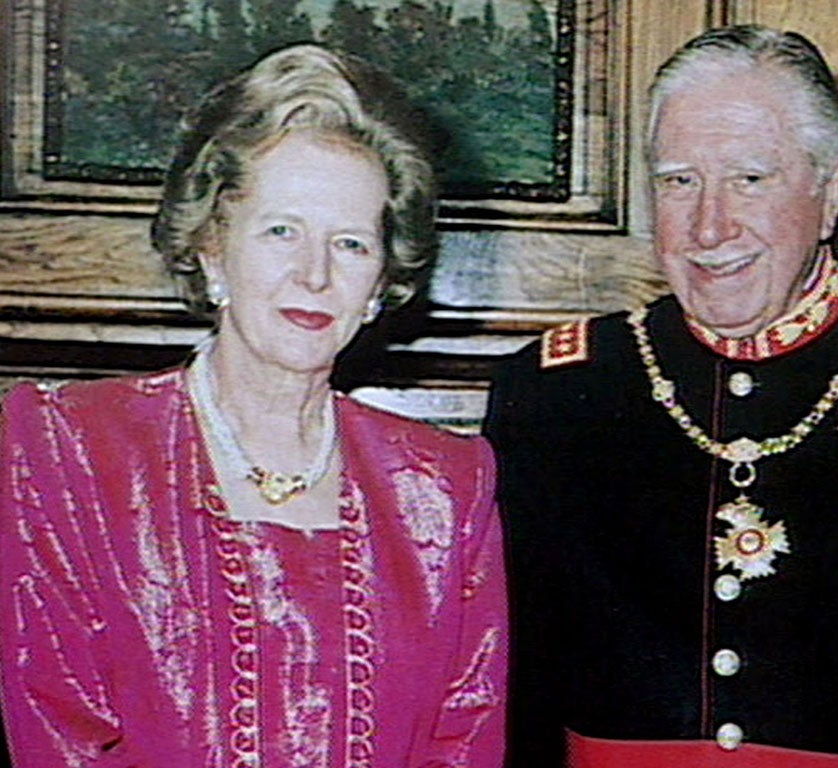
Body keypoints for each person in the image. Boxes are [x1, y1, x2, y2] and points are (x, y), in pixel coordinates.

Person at [485, 25, 838, 768]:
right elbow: (515, 700)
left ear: (829, 189)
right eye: (678, 180)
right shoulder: (557, 390)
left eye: (751, 179)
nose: (710, 225)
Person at [0, 44, 506, 767]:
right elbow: (57, 733)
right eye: (281, 231)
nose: (315, 273)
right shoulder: (71, 450)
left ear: (380, 281)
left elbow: (464, 745)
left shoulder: (446, 486)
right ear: (211, 246)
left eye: (352, 243)